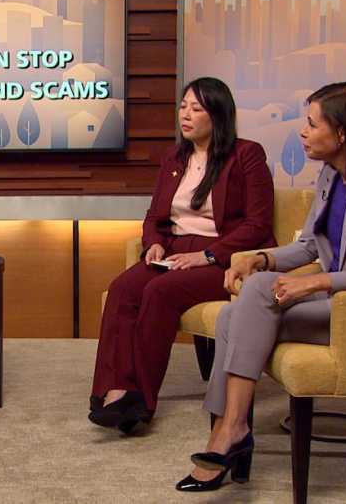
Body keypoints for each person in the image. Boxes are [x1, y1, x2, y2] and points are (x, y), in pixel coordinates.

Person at [177, 81, 346, 492]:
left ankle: (229, 431)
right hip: (334, 300)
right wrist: (261, 258)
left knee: (235, 317)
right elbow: (310, 245)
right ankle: (230, 430)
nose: (303, 132)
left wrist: (314, 282)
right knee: (246, 300)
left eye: (312, 124)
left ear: (342, 132)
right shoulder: (331, 175)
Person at [89, 77, 276, 433]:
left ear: (218, 115)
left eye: (196, 108)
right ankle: (115, 389)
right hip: (173, 250)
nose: (185, 115)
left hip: (226, 257)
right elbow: (154, 215)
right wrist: (153, 242)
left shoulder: (247, 155)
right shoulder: (175, 158)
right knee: (123, 289)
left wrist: (207, 255)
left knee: (160, 291)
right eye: (183, 106)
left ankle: (140, 400)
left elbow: (258, 224)